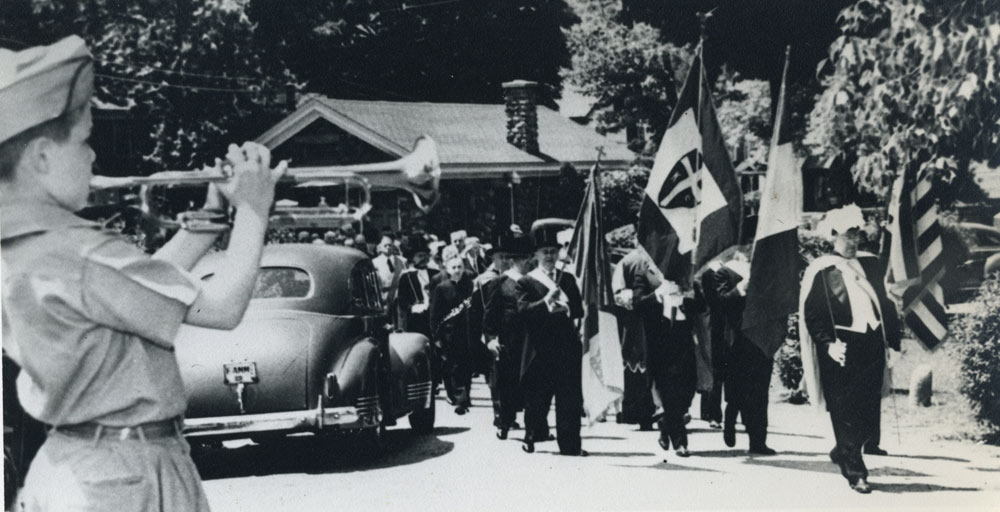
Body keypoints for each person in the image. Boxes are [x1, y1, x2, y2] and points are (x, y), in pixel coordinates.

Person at [0, 36, 285, 511]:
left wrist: (211, 218)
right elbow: (224, 307)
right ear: (42, 158)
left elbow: (134, 289)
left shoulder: (32, 249)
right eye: (85, 140)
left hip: (78, 466)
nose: (94, 158)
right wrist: (254, 209)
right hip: (129, 475)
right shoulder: (84, 254)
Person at [800, 204, 901, 494]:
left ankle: (843, 449)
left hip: (870, 343)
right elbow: (813, 314)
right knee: (846, 408)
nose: (853, 242)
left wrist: (892, 341)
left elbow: (886, 304)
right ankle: (856, 473)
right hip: (842, 346)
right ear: (834, 237)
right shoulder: (821, 270)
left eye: (856, 235)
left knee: (868, 410)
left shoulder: (869, 265)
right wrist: (828, 344)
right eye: (847, 236)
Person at [516, 224, 586, 456]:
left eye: (553, 252)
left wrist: (565, 306)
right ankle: (531, 434)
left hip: (566, 346)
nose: (549, 256)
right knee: (538, 398)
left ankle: (570, 446)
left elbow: (578, 310)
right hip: (539, 349)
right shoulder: (526, 281)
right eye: (544, 252)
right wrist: (546, 302)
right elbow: (523, 310)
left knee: (569, 399)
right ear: (535, 255)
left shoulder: (567, 278)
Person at [704, 249, 777, 455]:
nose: (749, 250)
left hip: (761, 339)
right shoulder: (724, 272)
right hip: (736, 340)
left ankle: (758, 441)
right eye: (745, 245)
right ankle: (730, 420)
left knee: (760, 393)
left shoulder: (764, 272)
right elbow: (719, 303)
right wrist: (740, 289)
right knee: (737, 391)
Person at [631, 256, 702, 458]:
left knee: (688, 388)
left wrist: (689, 295)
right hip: (659, 340)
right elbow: (638, 304)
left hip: (682, 338)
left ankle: (666, 423)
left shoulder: (684, 275)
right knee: (670, 390)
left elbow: (702, 306)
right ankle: (680, 442)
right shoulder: (644, 274)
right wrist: (659, 294)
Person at [481, 233, 533, 439]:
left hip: (532, 341)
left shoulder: (534, 281)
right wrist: (491, 338)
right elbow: (490, 314)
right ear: (514, 260)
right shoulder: (501, 282)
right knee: (508, 384)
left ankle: (537, 428)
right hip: (509, 341)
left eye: (529, 257)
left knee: (534, 385)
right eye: (523, 258)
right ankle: (505, 423)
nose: (527, 261)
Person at [612, 247, 657, 431]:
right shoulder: (628, 261)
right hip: (635, 320)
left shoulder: (660, 257)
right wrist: (626, 297)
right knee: (636, 364)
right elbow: (618, 292)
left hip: (658, 318)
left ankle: (657, 409)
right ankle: (637, 412)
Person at [430, 255, 476, 414]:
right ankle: (456, 397)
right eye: (454, 268)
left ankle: (465, 396)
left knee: (467, 365)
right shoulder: (441, 288)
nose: (457, 271)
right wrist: (436, 337)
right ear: (448, 270)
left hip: (467, 333)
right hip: (449, 334)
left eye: (460, 267)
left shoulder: (469, 286)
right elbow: (435, 314)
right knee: (452, 366)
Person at [396, 235, 439, 336]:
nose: (423, 258)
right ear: (413, 258)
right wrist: (412, 307)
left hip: (435, 315)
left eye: (425, 255)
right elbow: (401, 299)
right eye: (419, 256)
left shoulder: (436, 273)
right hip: (417, 319)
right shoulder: (406, 276)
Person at [372, 233, 406, 305]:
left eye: (390, 245)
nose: (388, 247)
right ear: (380, 247)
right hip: (383, 298)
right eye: (385, 245)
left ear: (393, 247)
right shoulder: (374, 262)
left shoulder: (402, 261)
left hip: (400, 298)